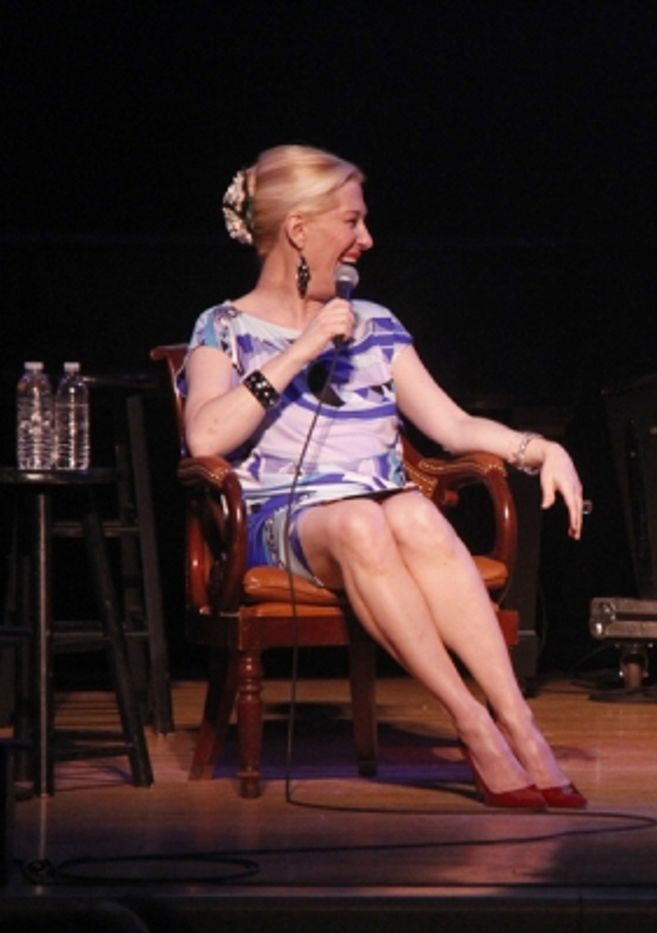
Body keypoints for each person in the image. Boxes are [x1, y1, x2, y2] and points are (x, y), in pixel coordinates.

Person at [183, 144, 586, 809]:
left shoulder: (377, 325)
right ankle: (471, 723)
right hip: (281, 523)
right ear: (299, 230)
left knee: (414, 513)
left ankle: (518, 719)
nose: (366, 239)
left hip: (377, 508)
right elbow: (204, 436)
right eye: (351, 222)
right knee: (363, 518)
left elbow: (453, 428)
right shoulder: (223, 327)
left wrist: (538, 449)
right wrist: (302, 348)